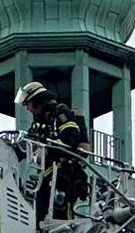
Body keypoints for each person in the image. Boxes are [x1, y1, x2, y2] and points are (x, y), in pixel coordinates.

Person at [15, 82, 90, 220]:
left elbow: (70, 139)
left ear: (37, 101)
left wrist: (49, 150)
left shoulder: (60, 113)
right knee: (40, 217)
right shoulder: (38, 125)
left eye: (28, 104)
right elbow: (25, 147)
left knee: (60, 215)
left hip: (64, 172)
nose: (28, 109)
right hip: (46, 177)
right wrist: (6, 150)